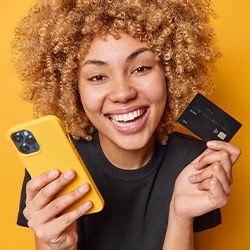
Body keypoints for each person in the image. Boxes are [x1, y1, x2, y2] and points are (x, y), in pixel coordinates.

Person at [13, 0, 241, 249]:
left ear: (169, 73)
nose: (122, 93)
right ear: (72, 89)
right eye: (98, 77)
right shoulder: (53, 171)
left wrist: (180, 217)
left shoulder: (195, 163)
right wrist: (56, 246)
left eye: (141, 68)